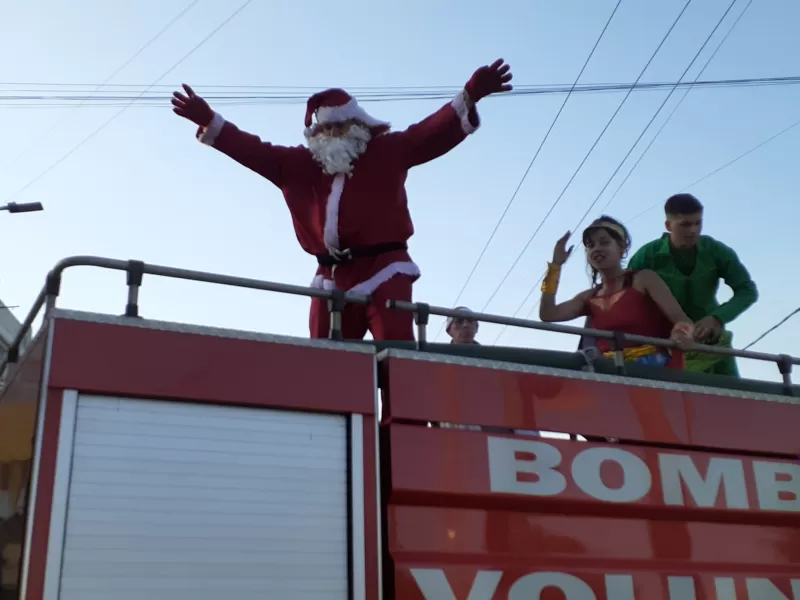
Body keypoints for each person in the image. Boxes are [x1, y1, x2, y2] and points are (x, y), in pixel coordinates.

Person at [171, 60, 513, 341]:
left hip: (385, 267)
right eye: (323, 130)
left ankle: (405, 424)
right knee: (325, 357)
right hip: (332, 275)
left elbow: (426, 134)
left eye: (339, 128)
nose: (330, 135)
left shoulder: (387, 151)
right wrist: (209, 120)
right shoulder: (299, 165)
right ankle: (326, 421)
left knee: (396, 352)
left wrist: (469, 96)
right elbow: (253, 150)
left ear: (359, 125)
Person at [627, 193, 758, 376]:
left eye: (698, 223)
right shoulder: (648, 255)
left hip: (712, 344)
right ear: (668, 225)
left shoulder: (716, 251)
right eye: (685, 224)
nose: (693, 230)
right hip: (666, 345)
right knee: (670, 400)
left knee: (733, 396)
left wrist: (718, 318)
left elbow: (747, 290)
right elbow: (625, 299)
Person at [539, 216, 694, 368]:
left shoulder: (644, 279)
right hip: (609, 374)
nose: (596, 248)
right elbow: (548, 314)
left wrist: (681, 333)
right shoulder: (589, 297)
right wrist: (555, 266)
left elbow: (681, 319)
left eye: (604, 242)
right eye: (590, 245)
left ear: (622, 247)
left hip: (652, 372)